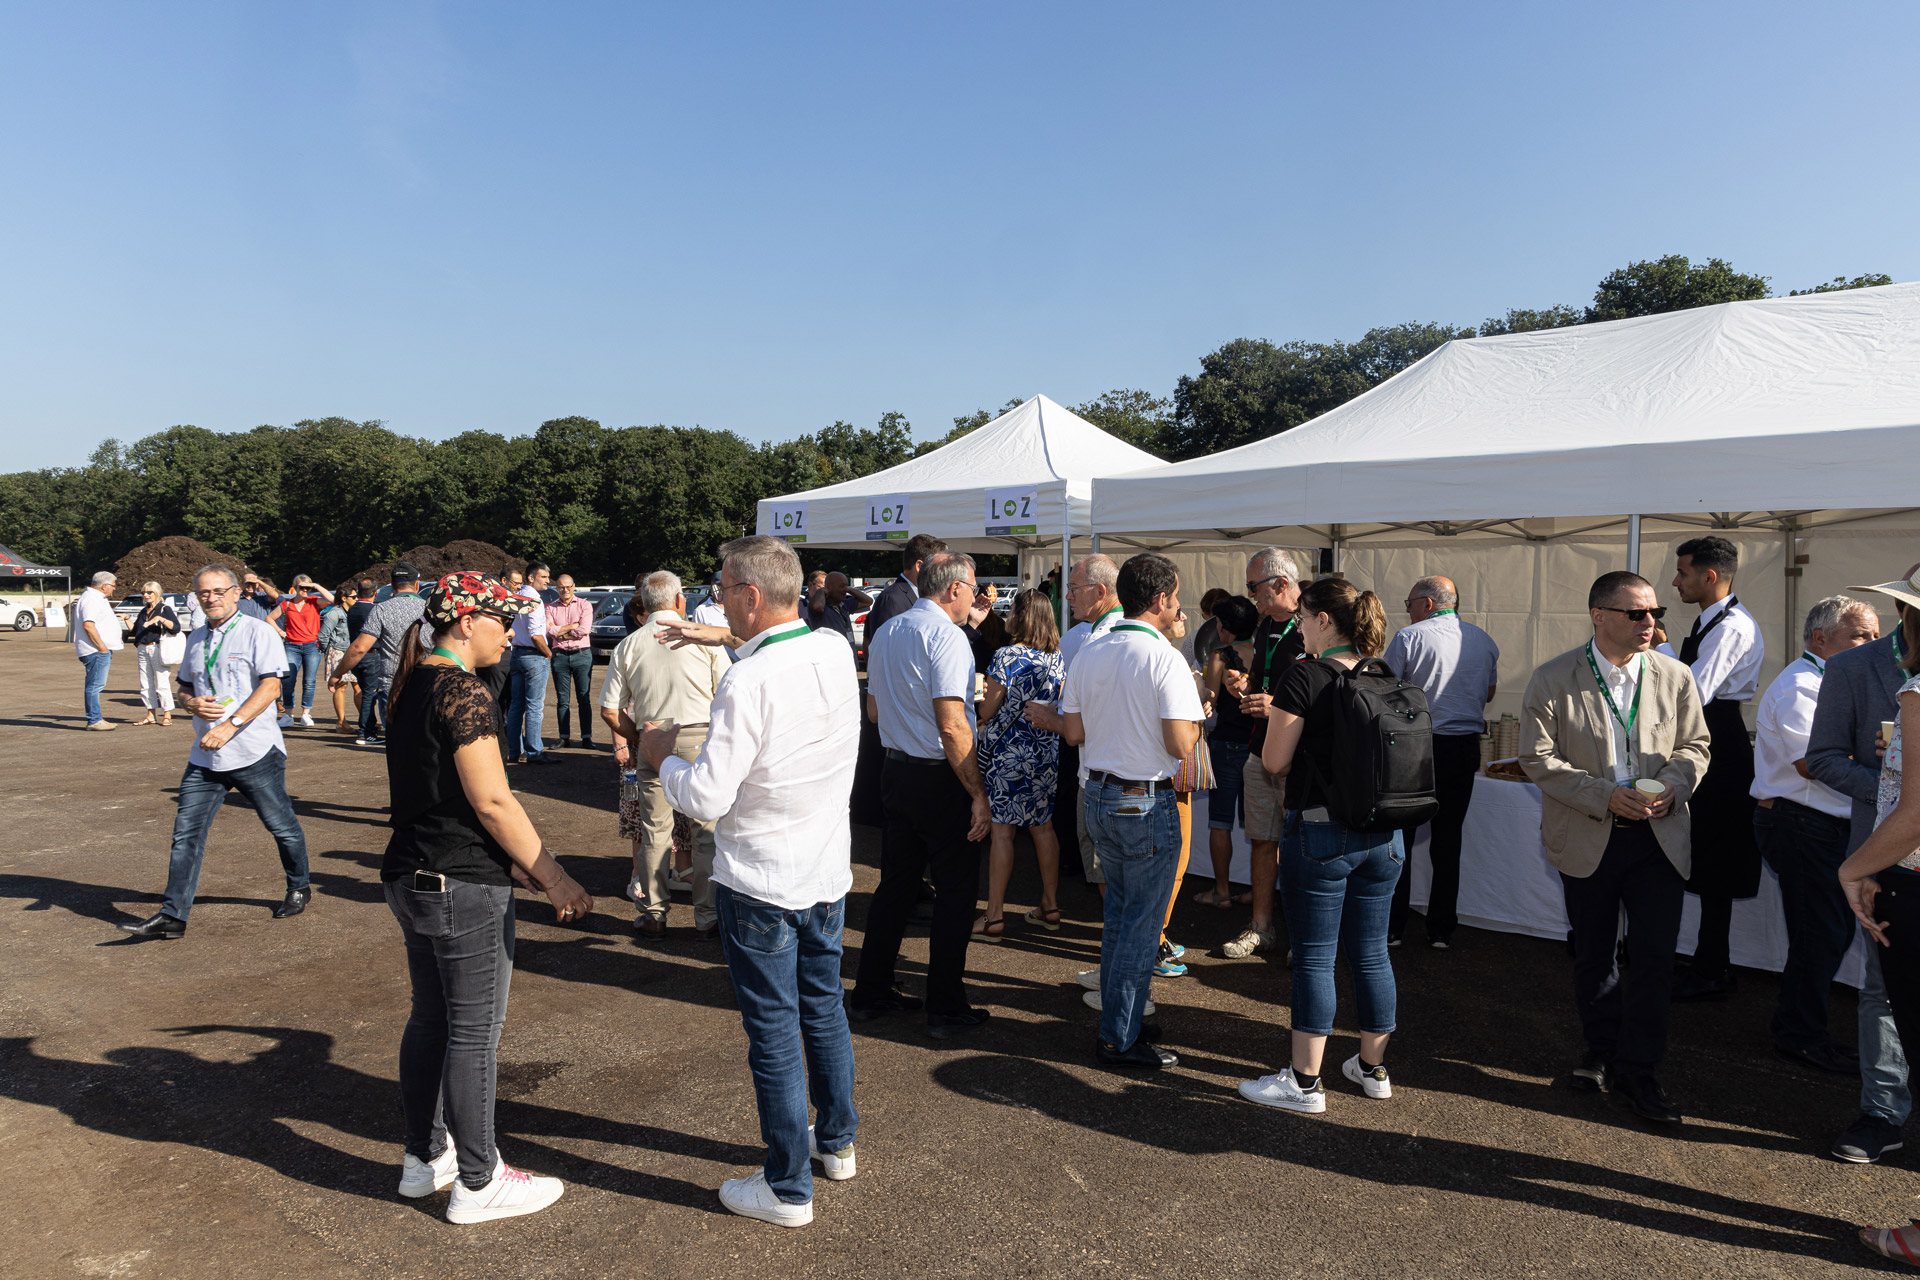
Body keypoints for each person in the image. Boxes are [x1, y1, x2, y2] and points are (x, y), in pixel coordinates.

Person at [644, 535, 861, 1228]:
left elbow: (706, 796)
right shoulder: (832, 647)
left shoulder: (748, 680)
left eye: (722, 588)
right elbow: (769, 651)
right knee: (823, 1009)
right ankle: (837, 1142)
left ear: (751, 595)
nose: (717, 598)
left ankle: (788, 1187)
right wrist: (719, 637)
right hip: (825, 870)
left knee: (772, 1032)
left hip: (762, 879)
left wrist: (661, 760)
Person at [377, 571, 592, 1224]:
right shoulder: (462, 689)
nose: (513, 631)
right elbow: (492, 800)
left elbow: (447, 795)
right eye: (504, 619)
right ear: (467, 622)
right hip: (459, 883)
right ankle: (479, 1180)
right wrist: (553, 875)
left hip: (412, 873)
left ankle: (425, 1158)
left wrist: (512, 862)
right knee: (472, 1034)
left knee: (431, 1020)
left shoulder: (412, 681)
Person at [1519, 571, 1710, 1126]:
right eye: (1637, 613)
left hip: (1658, 838)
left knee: (1653, 959)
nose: (1650, 623)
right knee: (1595, 954)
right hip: (1589, 833)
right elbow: (1537, 757)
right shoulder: (1553, 677)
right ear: (1599, 616)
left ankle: (1639, 1070)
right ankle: (1600, 1051)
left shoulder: (1675, 675)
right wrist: (1604, 796)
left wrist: (1674, 785)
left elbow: (1696, 745)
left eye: (1655, 613)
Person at [1238, 577, 1401, 1111]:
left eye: (1303, 619)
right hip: (1386, 836)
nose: (1299, 629)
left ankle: (1305, 1083)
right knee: (1372, 953)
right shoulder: (1383, 673)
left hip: (1322, 831)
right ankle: (1372, 1068)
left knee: (1314, 958)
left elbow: (1274, 762)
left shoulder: (1304, 676)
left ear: (1323, 621)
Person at [1059, 553, 1203, 1070]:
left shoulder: (1091, 650)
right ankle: (1119, 1037)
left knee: (1121, 917)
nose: (1178, 604)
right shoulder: (1164, 657)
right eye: (1176, 596)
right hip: (1142, 799)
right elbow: (1180, 744)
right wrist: (1199, 718)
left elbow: (1073, 732)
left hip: (1098, 794)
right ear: (1160, 599)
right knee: (1139, 926)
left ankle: (1122, 1021)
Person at [118, 565, 314, 939]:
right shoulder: (195, 638)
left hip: (254, 752)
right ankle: (173, 916)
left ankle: (299, 886)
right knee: (186, 834)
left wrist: (230, 725)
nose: (211, 598)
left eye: (219, 591)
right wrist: (190, 704)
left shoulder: (258, 632)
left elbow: (271, 688)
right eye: (204, 593)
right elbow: (184, 689)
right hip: (206, 756)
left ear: (236, 593)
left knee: (281, 826)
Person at [851, 551, 992, 1038]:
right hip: (939, 777)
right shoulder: (947, 637)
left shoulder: (889, 629)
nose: (975, 597)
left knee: (896, 886)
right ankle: (945, 1005)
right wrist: (977, 792)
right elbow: (952, 725)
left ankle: (871, 991)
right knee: (956, 892)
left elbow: (874, 712)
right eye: (972, 588)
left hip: (896, 771)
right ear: (953, 588)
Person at [1816, 565, 1920, 1163]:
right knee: (1882, 990)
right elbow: (1823, 757)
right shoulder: (1853, 668)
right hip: (1885, 858)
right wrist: (1892, 779)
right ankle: (1882, 1112)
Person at [1755, 595, 1879, 1074]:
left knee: (1829, 932)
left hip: (1821, 824)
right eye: (1861, 635)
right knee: (1819, 934)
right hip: (1802, 823)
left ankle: (1803, 1029)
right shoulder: (1801, 686)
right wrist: (1889, 781)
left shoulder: (1833, 682)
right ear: (1821, 639)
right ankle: (1799, 1036)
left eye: (1875, 635)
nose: (1872, 644)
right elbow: (1815, 763)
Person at [602, 570, 731, 940]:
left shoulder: (629, 645)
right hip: (699, 738)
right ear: (679, 600)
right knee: (705, 831)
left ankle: (654, 914)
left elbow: (609, 710)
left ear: (646, 603)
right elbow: (727, 694)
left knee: (655, 830)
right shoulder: (702, 638)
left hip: (654, 737)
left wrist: (641, 737)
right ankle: (707, 917)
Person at [1670, 536, 1763, 1000]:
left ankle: (1711, 968)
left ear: (1709, 576)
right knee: (1706, 853)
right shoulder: (1711, 621)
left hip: (1719, 745)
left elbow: (1696, 692)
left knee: (1718, 856)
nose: (1676, 582)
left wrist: (1659, 653)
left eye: (1683, 573)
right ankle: (1708, 960)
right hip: (1710, 736)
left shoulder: (1732, 628)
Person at [1384, 575, 1499, 949]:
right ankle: (1442, 929)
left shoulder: (1410, 637)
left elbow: (1385, 689)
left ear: (1428, 603)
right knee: (1448, 839)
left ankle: (1393, 927)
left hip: (1417, 745)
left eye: (1410, 603)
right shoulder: (1483, 639)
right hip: (1463, 747)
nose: (1408, 610)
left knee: (1400, 836)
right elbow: (1489, 692)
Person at [1223, 547, 1310, 958]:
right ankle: (1261, 927)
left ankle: (1305, 939)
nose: (1250, 594)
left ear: (1281, 583)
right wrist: (1244, 687)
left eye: (1253, 586)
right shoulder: (1264, 628)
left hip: (1298, 757)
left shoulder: (1313, 624)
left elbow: (1324, 694)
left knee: (1300, 846)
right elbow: (1264, 682)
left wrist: (1276, 705)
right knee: (1262, 840)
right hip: (1259, 751)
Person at [975, 588, 1066, 939]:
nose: (1007, 615)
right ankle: (1050, 905)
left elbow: (988, 710)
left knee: (1002, 832)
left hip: (1008, 754)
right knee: (1043, 827)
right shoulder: (1056, 657)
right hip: (1044, 751)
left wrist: (978, 699)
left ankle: (994, 916)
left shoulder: (1006, 656)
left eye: (1012, 609)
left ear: (1022, 616)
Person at [851, 535, 949, 826]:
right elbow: (889, 654)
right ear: (919, 565)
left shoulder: (910, 596)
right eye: (938, 567)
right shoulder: (894, 598)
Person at [1196, 595, 1260, 908]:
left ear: (1226, 627)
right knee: (1260, 828)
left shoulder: (1220, 655)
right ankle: (1259, 893)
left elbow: (1209, 697)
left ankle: (1221, 891)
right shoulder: (1263, 653)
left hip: (1225, 744)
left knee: (1220, 822)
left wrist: (1198, 682)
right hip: (1258, 745)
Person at [331, 563, 427, 746]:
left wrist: (337, 673)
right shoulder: (428, 609)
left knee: (396, 742)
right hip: (423, 680)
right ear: (417, 585)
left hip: (391, 683)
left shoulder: (381, 609)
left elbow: (359, 647)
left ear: (392, 586)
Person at [504, 562, 554, 764]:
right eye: (544, 577)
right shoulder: (533, 599)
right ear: (531, 578)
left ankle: (514, 750)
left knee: (516, 705)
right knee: (534, 706)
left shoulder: (517, 595)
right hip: (533, 655)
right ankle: (534, 752)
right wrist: (548, 653)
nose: (547, 581)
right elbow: (535, 634)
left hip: (517, 653)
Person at [268, 576, 326, 728]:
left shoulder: (314, 601)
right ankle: (288, 714)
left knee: (309, 681)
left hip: (312, 646)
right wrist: (280, 632)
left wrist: (316, 585)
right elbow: (269, 618)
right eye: (302, 587)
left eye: (308, 588)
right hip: (291, 646)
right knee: (288, 681)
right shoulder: (287, 604)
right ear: (295, 588)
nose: (305, 590)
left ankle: (306, 713)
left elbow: (333, 599)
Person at [545, 574, 596, 748]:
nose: (565, 590)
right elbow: (548, 630)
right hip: (559, 656)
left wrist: (561, 633)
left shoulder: (584, 605)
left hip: (582, 655)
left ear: (574, 586)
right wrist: (572, 627)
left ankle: (586, 737)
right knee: (562, 700)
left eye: (568, 586)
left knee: (584, 698)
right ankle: (564, 737)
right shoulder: (551, 608)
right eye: (561, 587)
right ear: (557, 588)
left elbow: (584, 629)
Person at [73, 570, 122, 730]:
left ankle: (95, 718)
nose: (114, 588)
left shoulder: (94, 598)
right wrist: (102, 647)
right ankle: (94, 720)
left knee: (95, 685)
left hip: (96, 650)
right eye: (113, 585)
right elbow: (88, 625)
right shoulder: (92, 599)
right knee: (95, 685)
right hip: (95, 650)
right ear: (104, 586)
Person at [128, 580, 180, 727]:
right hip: (142, 648)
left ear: (157, 593)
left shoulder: (164, 609)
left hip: (157, 648)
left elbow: (176, 628)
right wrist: (126, 618)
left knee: (162, 683)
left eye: (149, 592)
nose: (146, 595)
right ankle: (150, 714)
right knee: (145, 684)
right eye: (143, 592)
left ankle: (167, 714)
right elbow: (134, 631)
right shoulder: (144, 611)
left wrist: (160, 619)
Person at [318, 586, 359, 732]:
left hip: (352, 652)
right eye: (353, 597)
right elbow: (323, 635)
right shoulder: (334, 613)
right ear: (344, 598)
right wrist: (328, 651)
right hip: (338, 651)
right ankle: (341, 723)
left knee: (358, 686)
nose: (356, 599)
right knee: (341, 686)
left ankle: (367, 721)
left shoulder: (355, 611)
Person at [804, 571, 870, 643]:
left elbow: (868, 601)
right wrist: (821, 591)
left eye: (846, 586)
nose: (845, 589)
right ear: (828, 587)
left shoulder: (844, 605)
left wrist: (849, 589)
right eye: (841, 586)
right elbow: (817, 607)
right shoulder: (823, 607)